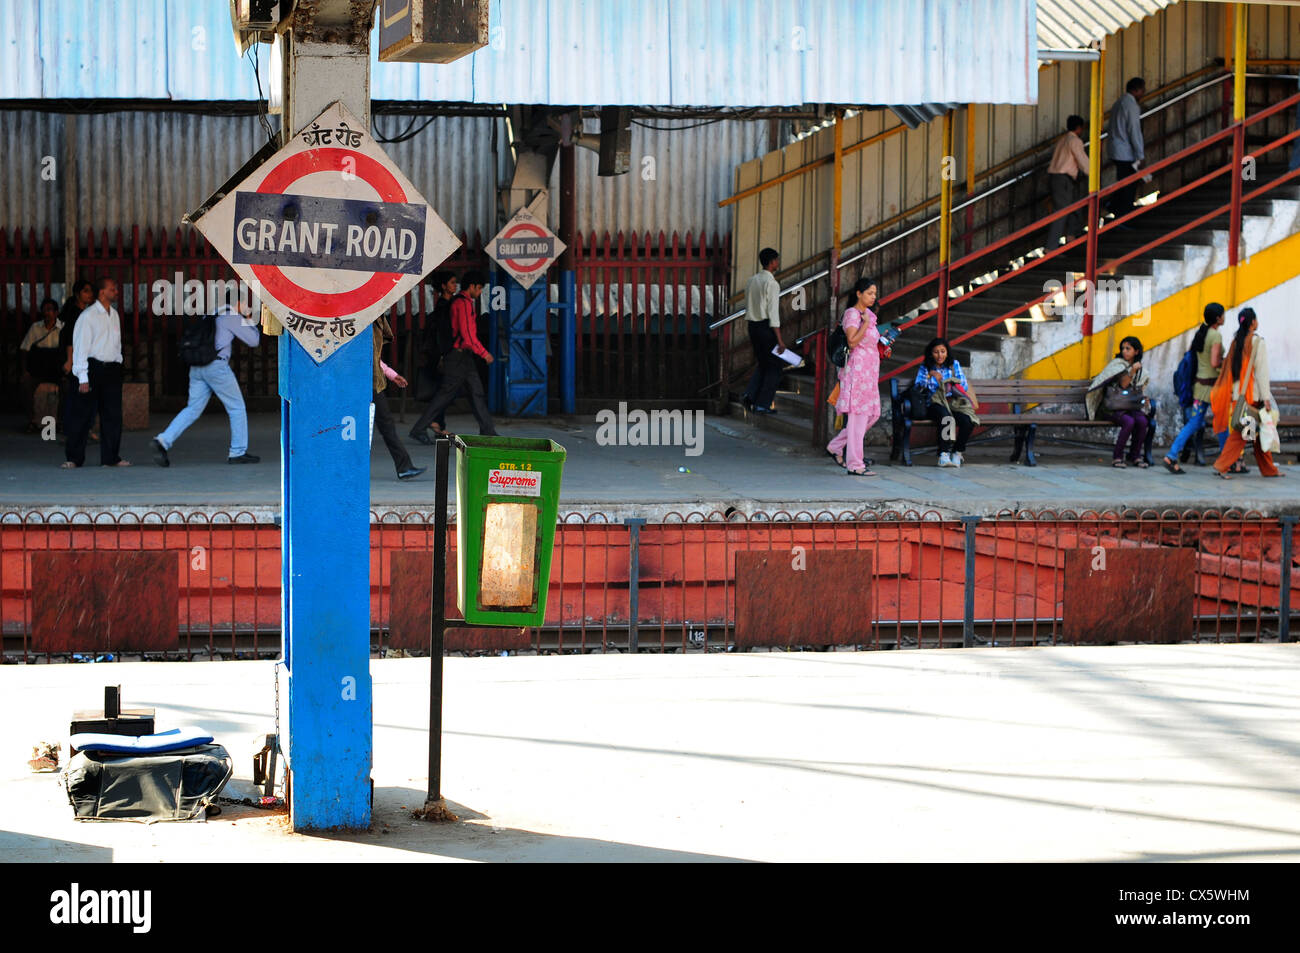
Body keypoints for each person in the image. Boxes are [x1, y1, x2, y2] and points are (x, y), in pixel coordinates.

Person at [151, 292, 261, 466]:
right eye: (245, 302)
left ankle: (163, 440)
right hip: (216, 368)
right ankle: (237, 452)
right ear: (238, 302)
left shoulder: (210, 313)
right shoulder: (231, 317)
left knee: (192, 408)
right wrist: (247, 317)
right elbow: (253, 340)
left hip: (197, 367)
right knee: (237, 407)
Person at [409, 269, 497, 442]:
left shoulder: (461, 302)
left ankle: (488, 430)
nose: (479, 293)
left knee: (475, 392)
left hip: (463, 356)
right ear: (472, 286)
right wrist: (484, 353)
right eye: (479, 289)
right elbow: (467, 335)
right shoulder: (463, 303)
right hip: (458, 358)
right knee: (446, 395)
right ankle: (419, 428)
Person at [64, 276, 129, 468]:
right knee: (82, 415)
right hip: (93, 368)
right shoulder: (88, 316)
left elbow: (116, 344)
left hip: (112, 369)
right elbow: (81, 348)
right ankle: (74, 458)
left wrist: (119, 362)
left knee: (113, 415)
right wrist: (82, 376)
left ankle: (110, 458)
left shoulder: (114, 314)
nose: (116, 292)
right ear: (102, 292)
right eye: (113, 289)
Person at [1213, 308, 1280, 479]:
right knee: (1243, 435)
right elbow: (1262, 372)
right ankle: (1222, 466)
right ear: (1252, 322)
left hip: (1239, 395)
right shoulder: (1258, 342)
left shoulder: (1236, 342)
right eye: (1256, 319)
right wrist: (1266, 398)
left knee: (1259, 433)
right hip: (1252, 397)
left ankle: (1269, 469)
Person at [826, 278, 881, 477]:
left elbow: (871, 342)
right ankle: (855, 464)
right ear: (858, 293)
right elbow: (852, 342)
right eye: (869, 293)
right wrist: (865, 324)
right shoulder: (852, 314)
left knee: (873, 414)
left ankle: (836, 445)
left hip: (870, 372)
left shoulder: (870, 315)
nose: (873, 297)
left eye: (875, 294)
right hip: (857, 372)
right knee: (858, 418)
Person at [1162, 302, 1226, 474]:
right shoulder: (1215, 336)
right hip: (1212, 388)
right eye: (1223, 314)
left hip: (1199, 387)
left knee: (1194, 422)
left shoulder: (1201, 333)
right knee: (1221, 422)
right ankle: (1228, 460)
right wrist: (1226, 364)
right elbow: (1214, 362)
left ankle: (1171, 454)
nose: (1224, 317)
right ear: (1218, 318)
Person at [372, 313, 426, 481]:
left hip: (373, 381)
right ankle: (404, 466)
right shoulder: (366, 323)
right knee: (376, 426)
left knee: (385, 425)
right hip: (364, 382)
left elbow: (375, 358)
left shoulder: (373, 323)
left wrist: (391, 375)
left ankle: (404, 466)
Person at [913, 337, 981, 468]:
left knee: (967, 420)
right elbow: (918, 387)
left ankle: (957, 452)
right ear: (931, 353)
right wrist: (930, 375)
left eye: (943, 351)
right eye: (936, 352)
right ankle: (943, 454)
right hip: (934, 402)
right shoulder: (926, 367)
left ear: (947, 352)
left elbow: (963, 385)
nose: (940, 355)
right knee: (946, 418)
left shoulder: (954, 364)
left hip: (953, 402)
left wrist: (948, 383)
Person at [1087, 335, 1153, 468]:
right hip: (1110, 407)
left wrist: (1143, 398)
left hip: (1129, 406)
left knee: (1142, 421)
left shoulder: (1141, 370)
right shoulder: (1117, 365)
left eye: (1128, 348)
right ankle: (1117, 457)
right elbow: (1123, 385)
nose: (1124, 351)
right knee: (1129, 422)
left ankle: (1134, 456)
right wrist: (1132, 371)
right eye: (1123, 348)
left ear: (1136, 351)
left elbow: (1137, 389)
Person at [741, 247, 788, 414]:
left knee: (763, 363)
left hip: (753, 326)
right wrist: (780, 340)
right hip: (766, 328)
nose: (778, 262)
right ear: (772, 262)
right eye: (776, 260)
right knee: (775, 367)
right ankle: (763, 403)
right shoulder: (772, 284)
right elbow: (773, 313)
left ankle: (750, 395)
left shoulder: (751, 280)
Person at [411, 270, 458, 437]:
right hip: (440, 354)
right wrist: (443, 355)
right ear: (444, 286)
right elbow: (442, 334)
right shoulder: (444, 307)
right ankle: (432, 423)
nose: (455, 286)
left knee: (442, 391)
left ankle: (438, 424)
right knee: (443, 391)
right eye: (452, 283)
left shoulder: (445, 305)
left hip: (440, 353)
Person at [1106, 77, 1147, 222]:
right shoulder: (1131, 106)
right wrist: (1140, 155)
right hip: (1126, 152)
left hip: (1116, 149)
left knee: (1123, 181)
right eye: (1142, 90)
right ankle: (1123, 215)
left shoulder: (1119, 103)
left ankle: (1114, 205)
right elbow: (1134, 131)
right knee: (1129, 186)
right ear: (1136, 90)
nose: (1143, 93)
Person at [19, 298, 64, 427]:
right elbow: (24, 349)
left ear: (56, 313)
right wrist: (25, 371)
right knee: (25, 385)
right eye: (44, 310)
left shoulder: (63, 328)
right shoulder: (35, 328)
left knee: (68, 386)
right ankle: (32, 420)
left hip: (57, 369)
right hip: (38, 368)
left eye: (50, 310)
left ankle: (60, 421)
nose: (47, 313)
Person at [58, 279, 95, 434]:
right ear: (77, 294)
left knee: (77, 395)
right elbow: (70, 338)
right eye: (85, 291)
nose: (90, 294)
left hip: (79, 359)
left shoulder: (81, 312)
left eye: (90, 291)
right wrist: (70, 360)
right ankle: (76, 430)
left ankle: (78, 429)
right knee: (78, 395)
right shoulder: (76, 314)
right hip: (76, 360)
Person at [1046, 115, 1089, 247]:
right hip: (1064, 179)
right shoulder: (1074, 141)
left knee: (1074, 206)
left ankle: (1071, 236)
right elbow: (1082, 160)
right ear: (1079, 128)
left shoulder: (1062, 140)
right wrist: (1092, 173)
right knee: (1061, 212)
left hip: (1056, 178)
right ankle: (1051, 247)